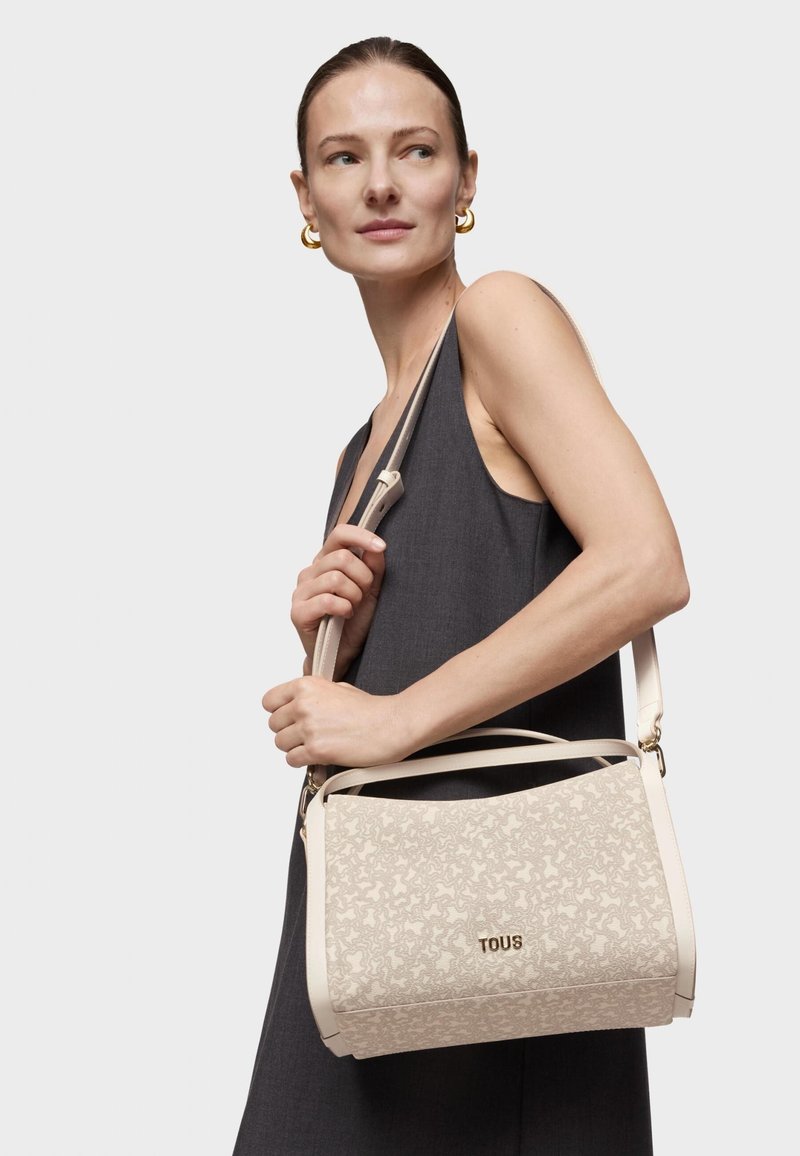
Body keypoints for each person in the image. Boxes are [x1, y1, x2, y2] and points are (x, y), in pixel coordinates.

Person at [232, 35, 690, 1156]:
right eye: (344, 158)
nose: (380, 185)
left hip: (502, 924)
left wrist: (389, 716)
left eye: (416, 150)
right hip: (381, 932)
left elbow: (644, 563)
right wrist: (339, 647)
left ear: (466, 178)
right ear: (305, 198)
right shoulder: (362, 451)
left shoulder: (498, 316)